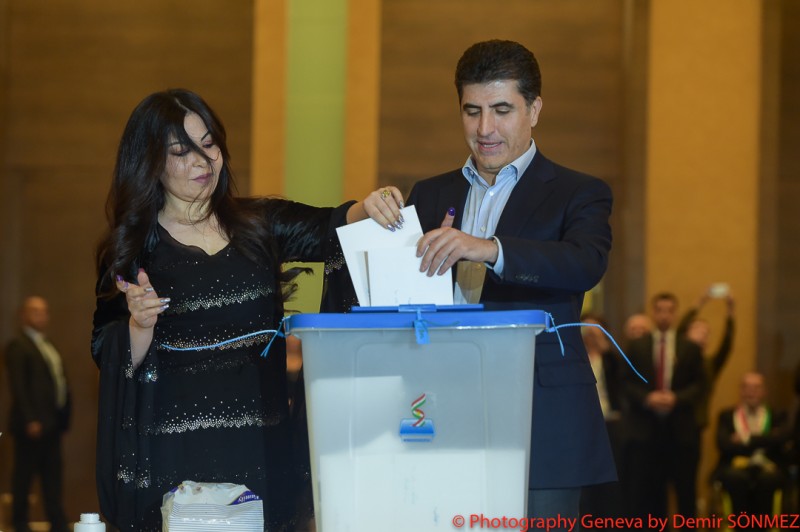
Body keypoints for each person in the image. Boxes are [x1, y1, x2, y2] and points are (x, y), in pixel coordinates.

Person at [91, 89, 402, 531]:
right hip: (176, 465)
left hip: (262, 452)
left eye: (209, 144)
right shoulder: (132, 249)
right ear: (151, 163)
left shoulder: (259, 223)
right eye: (181, 151)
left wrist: (366, 209)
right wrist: (139, 325)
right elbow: (105, 349)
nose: (203, 161)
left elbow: (329, 227)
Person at [404, 39, 616, 522]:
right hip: (442, 409)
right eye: (472, 111)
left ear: (534, 110)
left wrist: (490, 249)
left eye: (502, 110)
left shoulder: (578, 192)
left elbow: (585, 262)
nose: (485, 129)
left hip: (542, 417)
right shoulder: (429, 194)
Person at [621, 292, 705, 520]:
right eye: (660, 310)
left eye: (669, 311)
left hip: (681, 430)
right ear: (653, 313)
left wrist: (677, 398)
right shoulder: (637, 346)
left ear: (675, 314)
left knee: (685, 492)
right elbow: (626, 382)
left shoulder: (690, 347)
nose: (664, 315)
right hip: (646, 430)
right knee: (648, 495)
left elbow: (699, 386)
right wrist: (647, 398)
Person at [4, 296, 70, 532]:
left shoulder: (48, 344)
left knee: (53, 475)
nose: (41, 316)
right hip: (31, 424)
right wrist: (30, 418)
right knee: (24, 474)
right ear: (23, 315)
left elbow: (58, 382)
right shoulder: (18, 346)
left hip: (52, 422)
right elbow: (19, 386)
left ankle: (58, 522)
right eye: (35, 311)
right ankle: (20, 523)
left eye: (44, 311)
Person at [714, 372, 790, 524]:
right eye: (746, 387)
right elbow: (724, 445)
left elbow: (780, 440)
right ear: (740, 391)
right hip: (735, 468)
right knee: (735, 478)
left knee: (768, 480)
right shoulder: (727, 416)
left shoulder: (778, 415)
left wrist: (745, 439)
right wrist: (765, 439)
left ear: (764, 391)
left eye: (756, 387)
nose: (751, 392)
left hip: (769, 467)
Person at [578, 313, 627, 518]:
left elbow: (622, 380)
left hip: (609, 422)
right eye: (585, 328)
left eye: (595, 329)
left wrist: (605, 348)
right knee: (584, 480)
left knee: (609, 480)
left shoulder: (610, 359)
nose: (590, 333)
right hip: (581, 424)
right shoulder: (575, 357)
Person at [677, 285, 736, 430]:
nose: (702, 334)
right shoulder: (677, 357)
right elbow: (680, 330)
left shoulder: (710, 364)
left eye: (706, 332)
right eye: (697, 329)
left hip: (698, 422)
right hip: (676, 419)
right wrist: (701, 301)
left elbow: (727, 345)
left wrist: (731, 309)